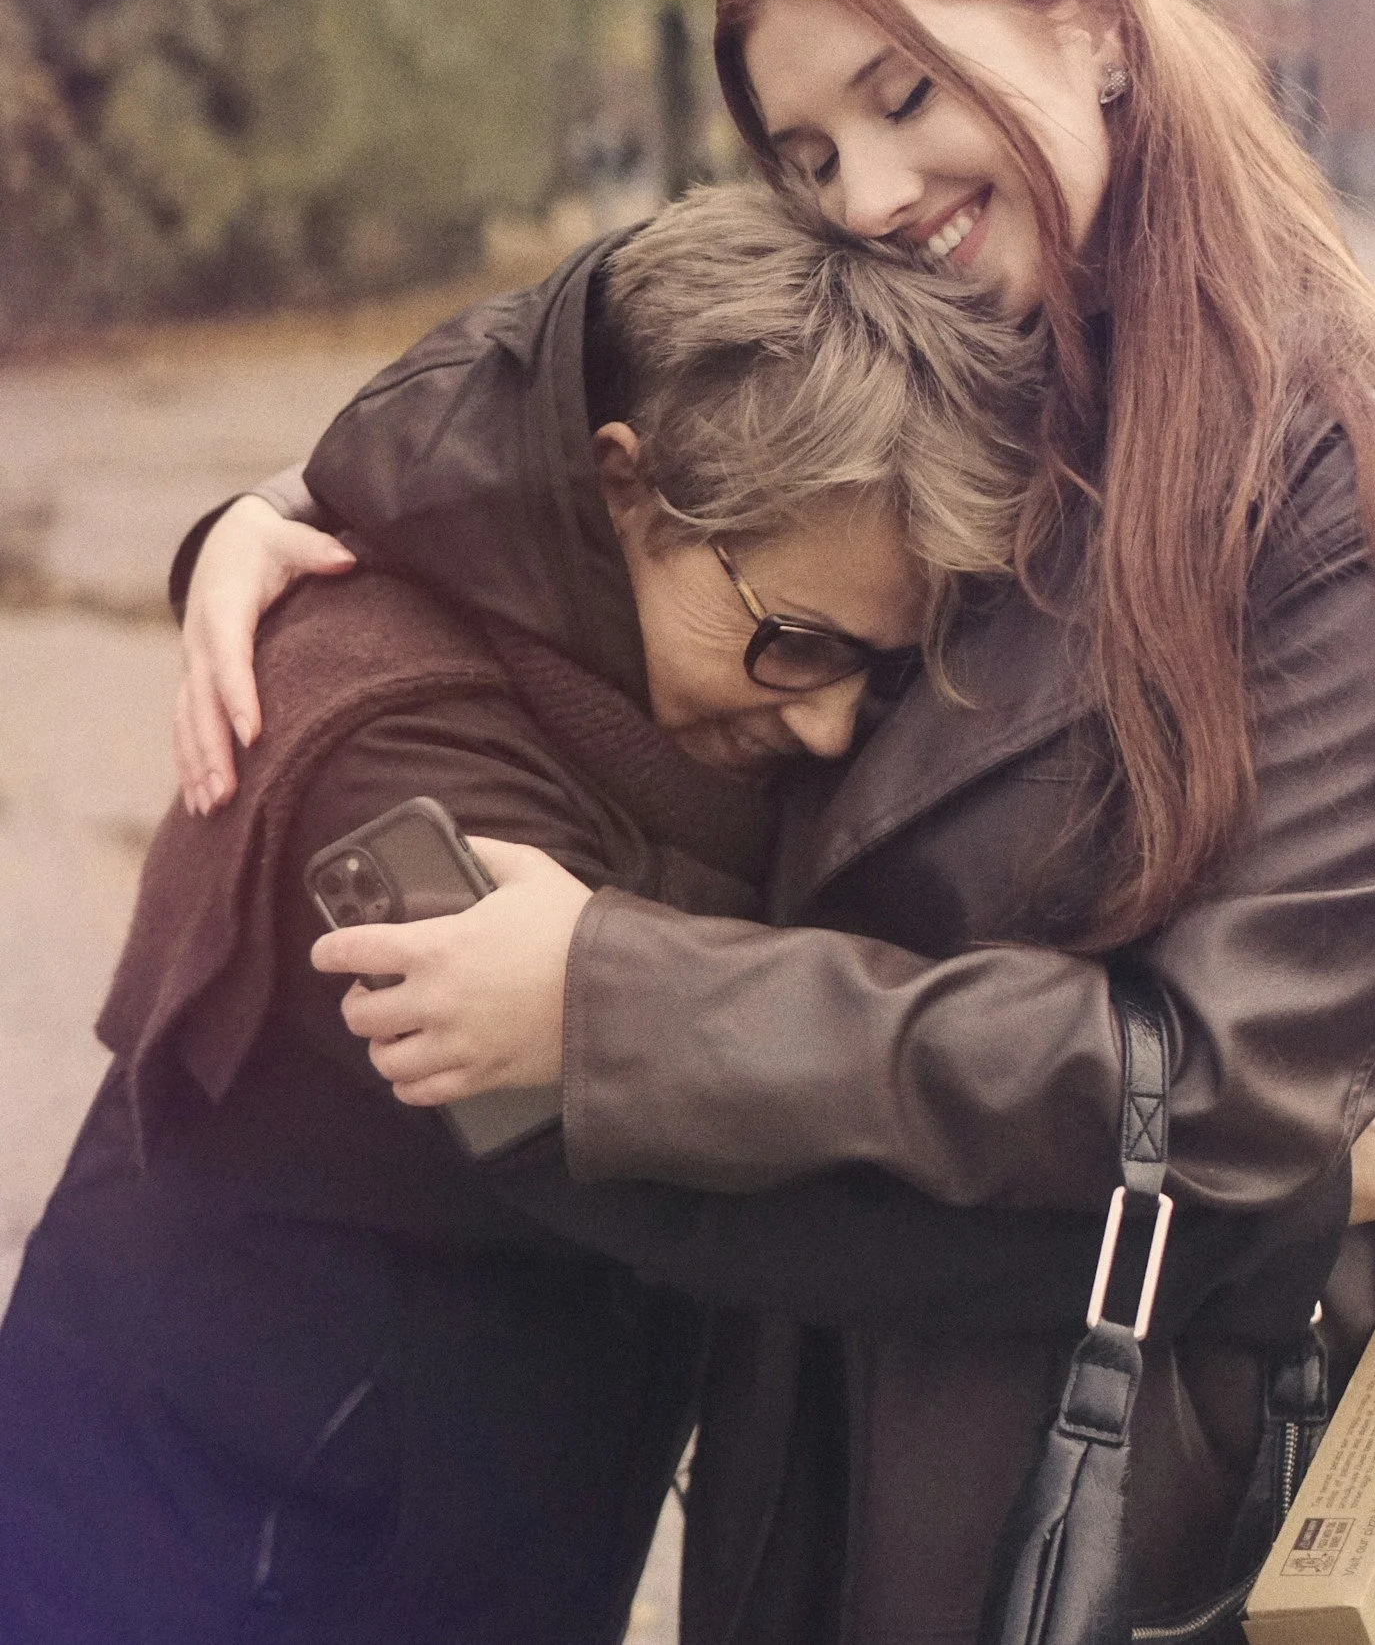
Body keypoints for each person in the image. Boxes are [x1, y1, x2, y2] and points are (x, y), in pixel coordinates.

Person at [169, 0, 1375, 1644]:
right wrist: (277, 517)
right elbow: (560, 384)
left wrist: (615, 997)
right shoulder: (945, 360)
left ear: (1095, 26)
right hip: (816, 1419)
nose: (862, 192)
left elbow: (1229, 1088)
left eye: (901, 93)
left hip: (1116, 1459)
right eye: (803, 150)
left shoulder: (1337, 478)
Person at [0, 183, 1104, 1645]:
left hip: (448, 1526)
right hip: (217, 1553)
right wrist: (1260, 1192)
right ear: (622, 486)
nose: (834, 731)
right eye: (795, 647)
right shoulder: (389, 775)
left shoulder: (643, 671)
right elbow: (738, 1195)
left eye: (877, 672)